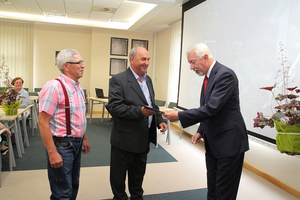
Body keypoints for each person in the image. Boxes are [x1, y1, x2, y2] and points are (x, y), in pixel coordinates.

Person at [163, 43, 249, 200]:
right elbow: (209, 109)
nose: (191, 67)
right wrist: (200, 130)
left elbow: (211, 108)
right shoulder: (209, 77)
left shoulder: (225, 75)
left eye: (192, 62)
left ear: (206, 57)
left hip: (229, 143)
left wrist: (180, 115)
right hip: (214, 142)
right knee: (213, 189)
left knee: (224, 193)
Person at [106, 46, 168, 200]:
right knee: (118, 177)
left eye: (148, 59)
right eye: (143, 59)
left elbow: (152, 104)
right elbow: (115, 108)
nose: (146, 63)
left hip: (143, 138)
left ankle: (137, 196)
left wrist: (159, 120)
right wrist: (140, 111)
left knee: (138, 174)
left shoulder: (148, 80)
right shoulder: (118, 80)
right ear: (131, 60)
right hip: (124, 140)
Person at [38, 49, 90, 200]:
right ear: (66, 66)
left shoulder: (78, 86)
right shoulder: (53, 87)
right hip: (61, 145)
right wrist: (52, 153)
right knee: (62, 192)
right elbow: (42, 122)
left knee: (73, 186)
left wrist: (84, 138)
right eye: (79, 62)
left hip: (77, 142)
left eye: (82, 62)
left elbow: (80, 117)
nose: (83, 66)